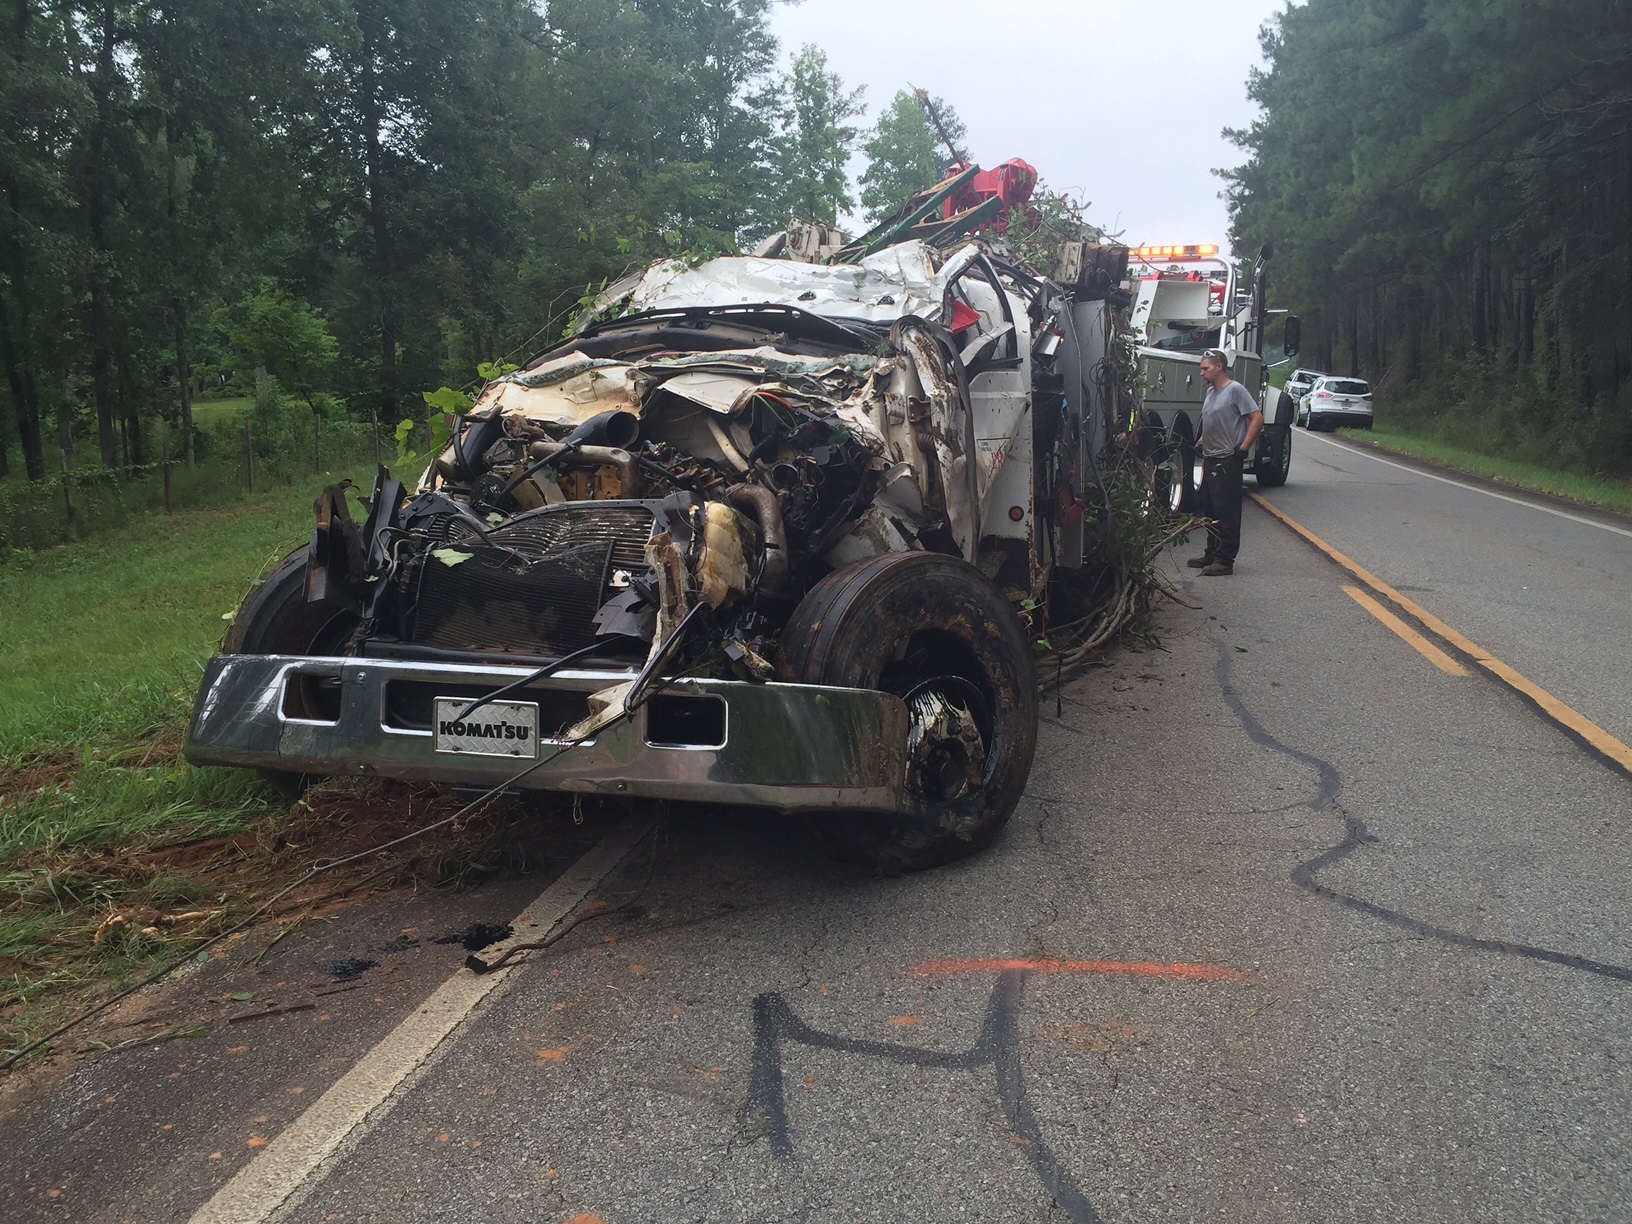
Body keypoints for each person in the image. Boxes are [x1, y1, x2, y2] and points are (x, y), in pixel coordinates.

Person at [1187, 349, 1262, 576]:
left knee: (1226, 511)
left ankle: (1225, 560)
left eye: (1205, 368)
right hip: (1211, 458)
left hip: (1228, 460)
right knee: (1209, 509)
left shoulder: (1235, 390)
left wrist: (1243, 449)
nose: (1201, 373)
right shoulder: (1211, 392)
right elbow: (1214, 422)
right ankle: (1211, 553)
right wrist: (1200, 442)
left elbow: (1257, 418)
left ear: (1219, 367)